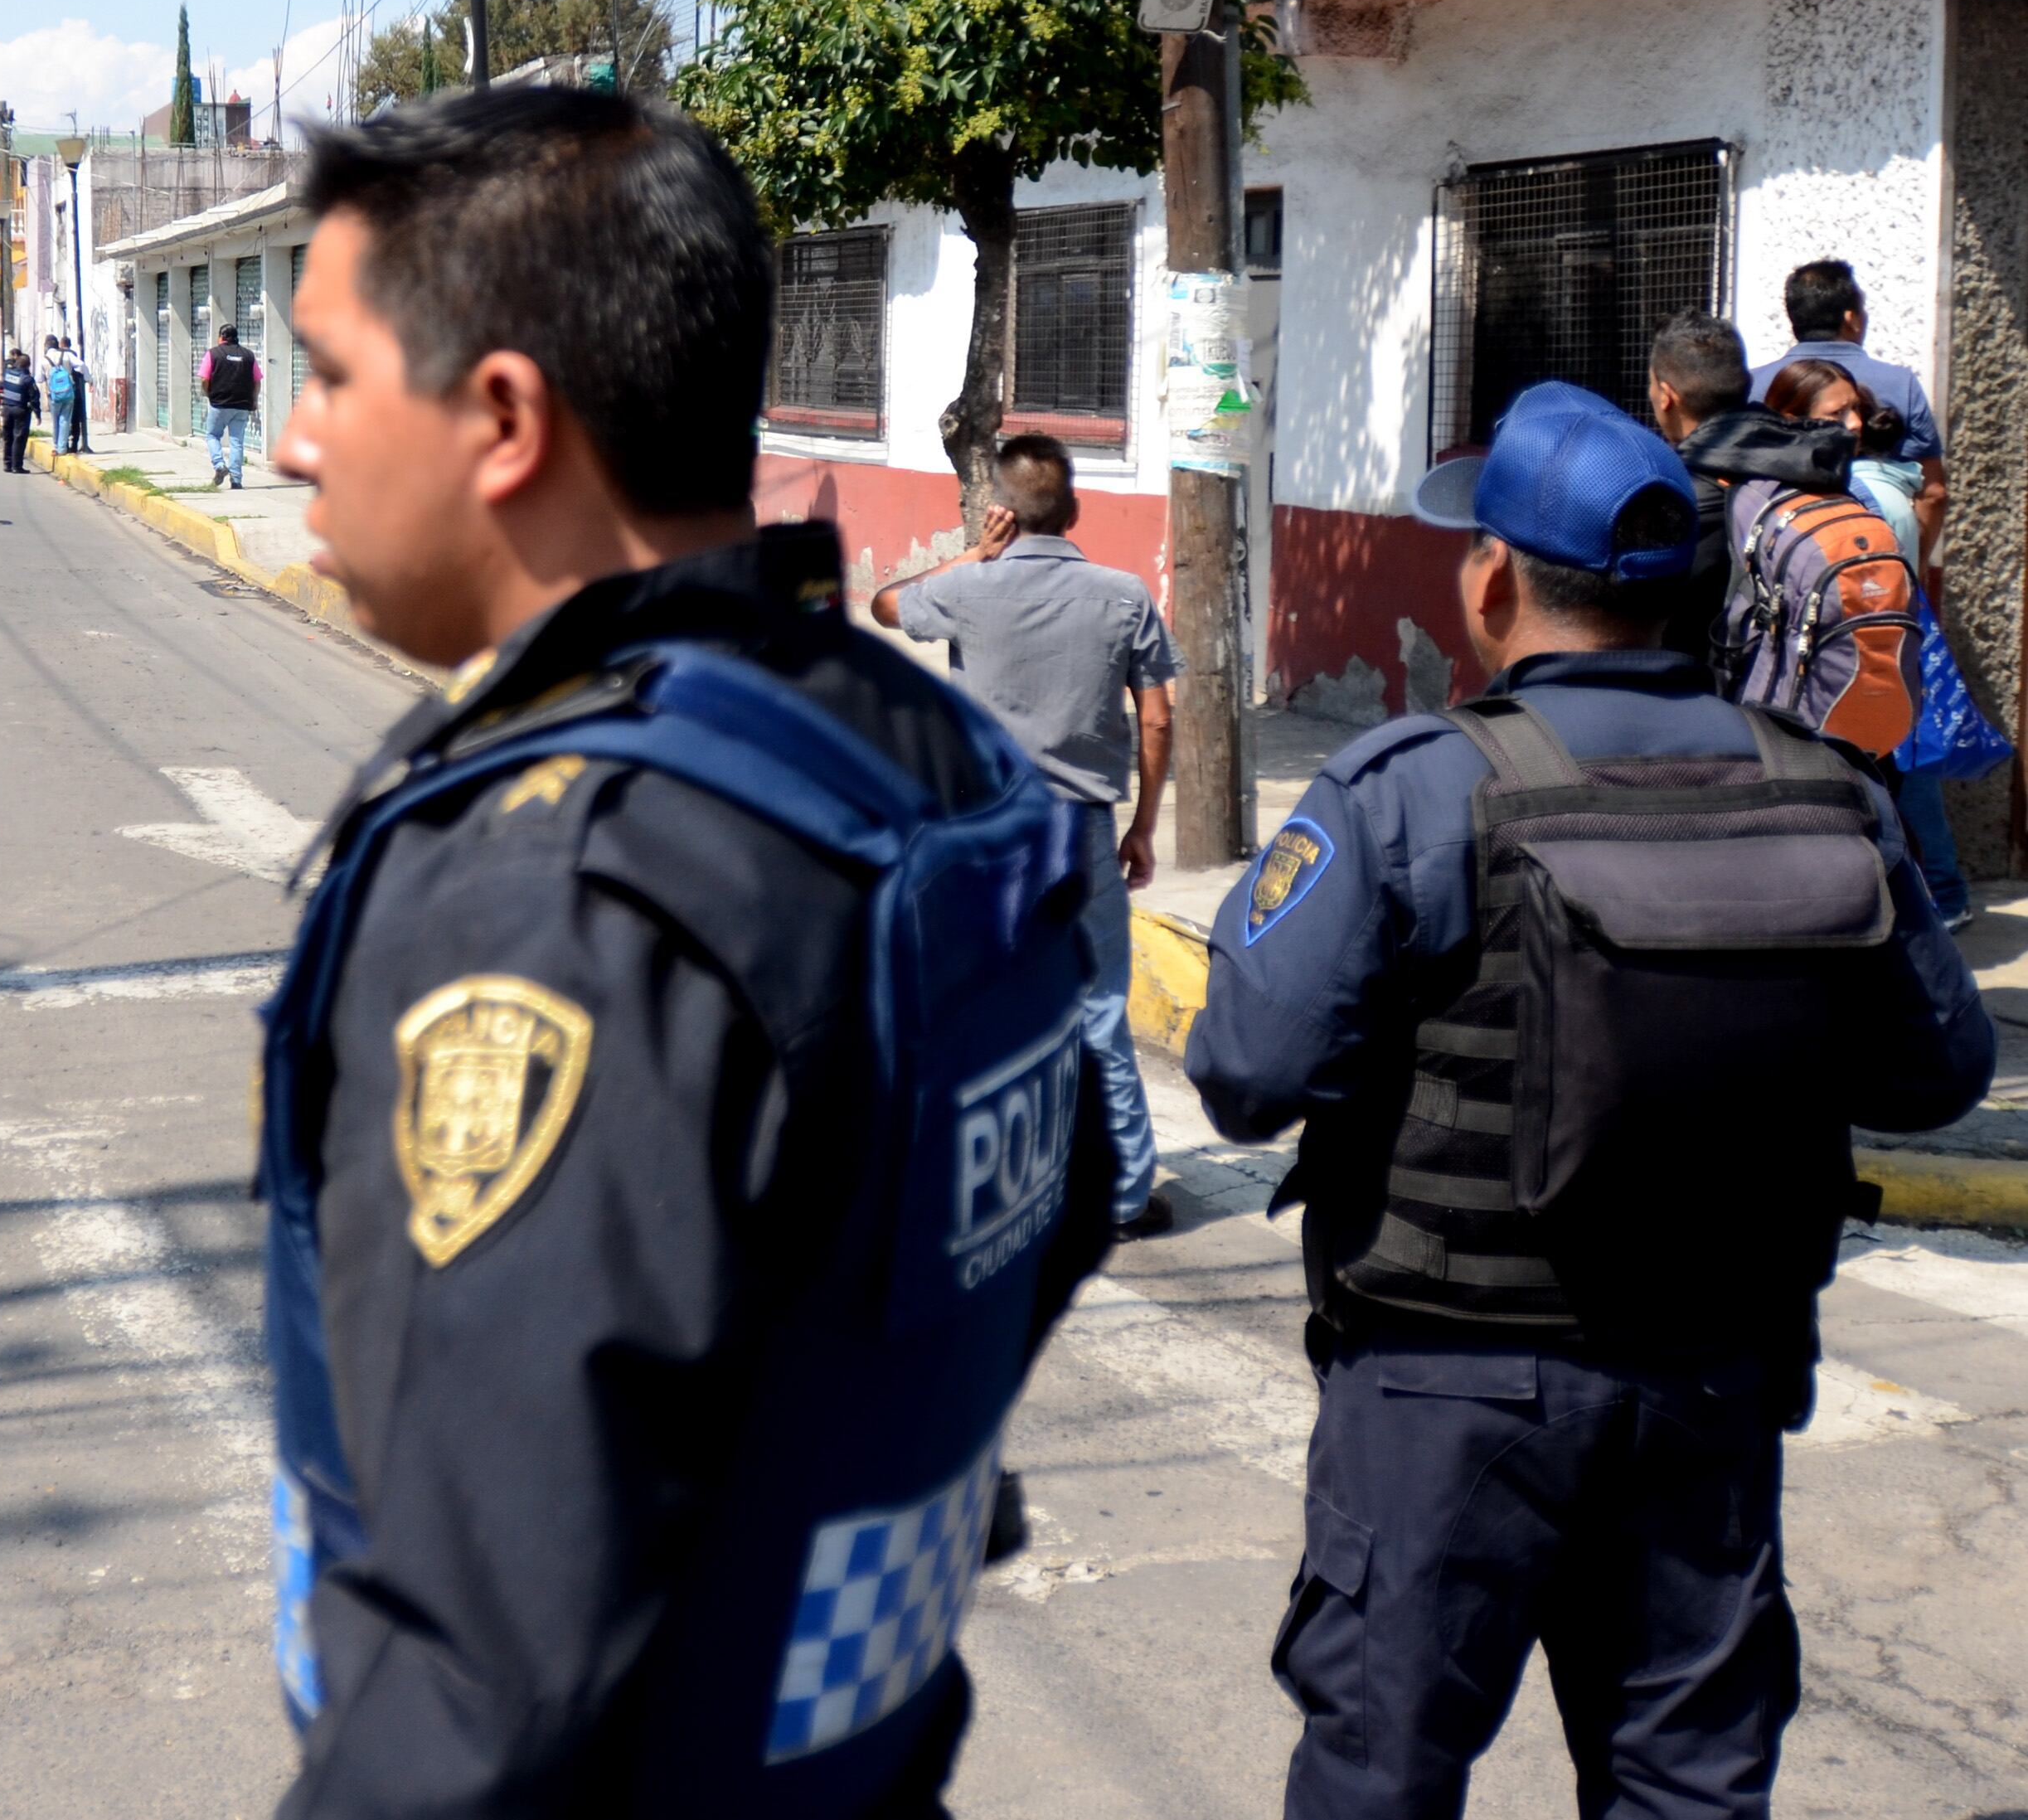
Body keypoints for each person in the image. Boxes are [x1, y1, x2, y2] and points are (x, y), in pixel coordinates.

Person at [255, 88, 1111, 1813]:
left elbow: (478, 1683)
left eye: (329, 374)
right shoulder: (913, 750)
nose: (290, 439)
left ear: (500, 416)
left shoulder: (556, 893)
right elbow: (1060, 1184)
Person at [1186, 380, 1994, 1820]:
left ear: (1489, 580)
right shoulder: (1825, 792)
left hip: (1444, 1390)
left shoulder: (1411, 790)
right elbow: (1935, 1074)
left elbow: (1246, 1075)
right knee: (1683, 1785)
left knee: (1383, 1778)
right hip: (1710, 1385)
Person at [871, 434, 1177, 1241]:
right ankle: (1121, 1196)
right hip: (1079, 827)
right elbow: (1155, 714)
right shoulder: (1122, 594)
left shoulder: (967, 588)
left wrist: (972, 552)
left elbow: (883, 604)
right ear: (1073, 507)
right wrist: (1142, 824)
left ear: (1000, 509)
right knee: (1099, 1006)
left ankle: (965, 1182)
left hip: (984, 833)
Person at [1768, 360, 1976, 925]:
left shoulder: (1859, 493)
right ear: (1790, 420)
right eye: (1835, 413)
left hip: (1854, 685)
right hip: (1818, 697)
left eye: (1855, 409)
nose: (1853, 423)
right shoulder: (1776, 496)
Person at [1646, 308, 1856, 668]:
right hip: (1812, 693)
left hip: (1711, 700)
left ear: (1666, 395)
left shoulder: (1674, 500)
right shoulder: (1816, 470)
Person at [1751, 259, 1945, 584]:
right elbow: (1934, 493)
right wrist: (1917, 564)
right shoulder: (1900, 384)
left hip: (1786, 561)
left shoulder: (1755, 385)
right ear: (1851, 319)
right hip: (1882, 567)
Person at [201, 320, 261, 488]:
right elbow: (257, 381)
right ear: (236, 338)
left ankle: (220, 466)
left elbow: (205, 379)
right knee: (237, 441)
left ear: (221, 338)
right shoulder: (248, 355)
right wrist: (254, 400)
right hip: (242, 405)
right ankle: (236, 480)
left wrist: (209, 394)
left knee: (213, 435)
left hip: (219, 404)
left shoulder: (213, 354)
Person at [0, 341, 38, 473]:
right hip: (20, 410)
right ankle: (17, 466)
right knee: (19, 438)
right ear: (28, 365)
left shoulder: (8, 374)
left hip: (7, 409)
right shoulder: (27, 379)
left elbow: (2, 385)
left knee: (8, 437)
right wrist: (38, 413)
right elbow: (34, 398)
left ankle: (7, 464)